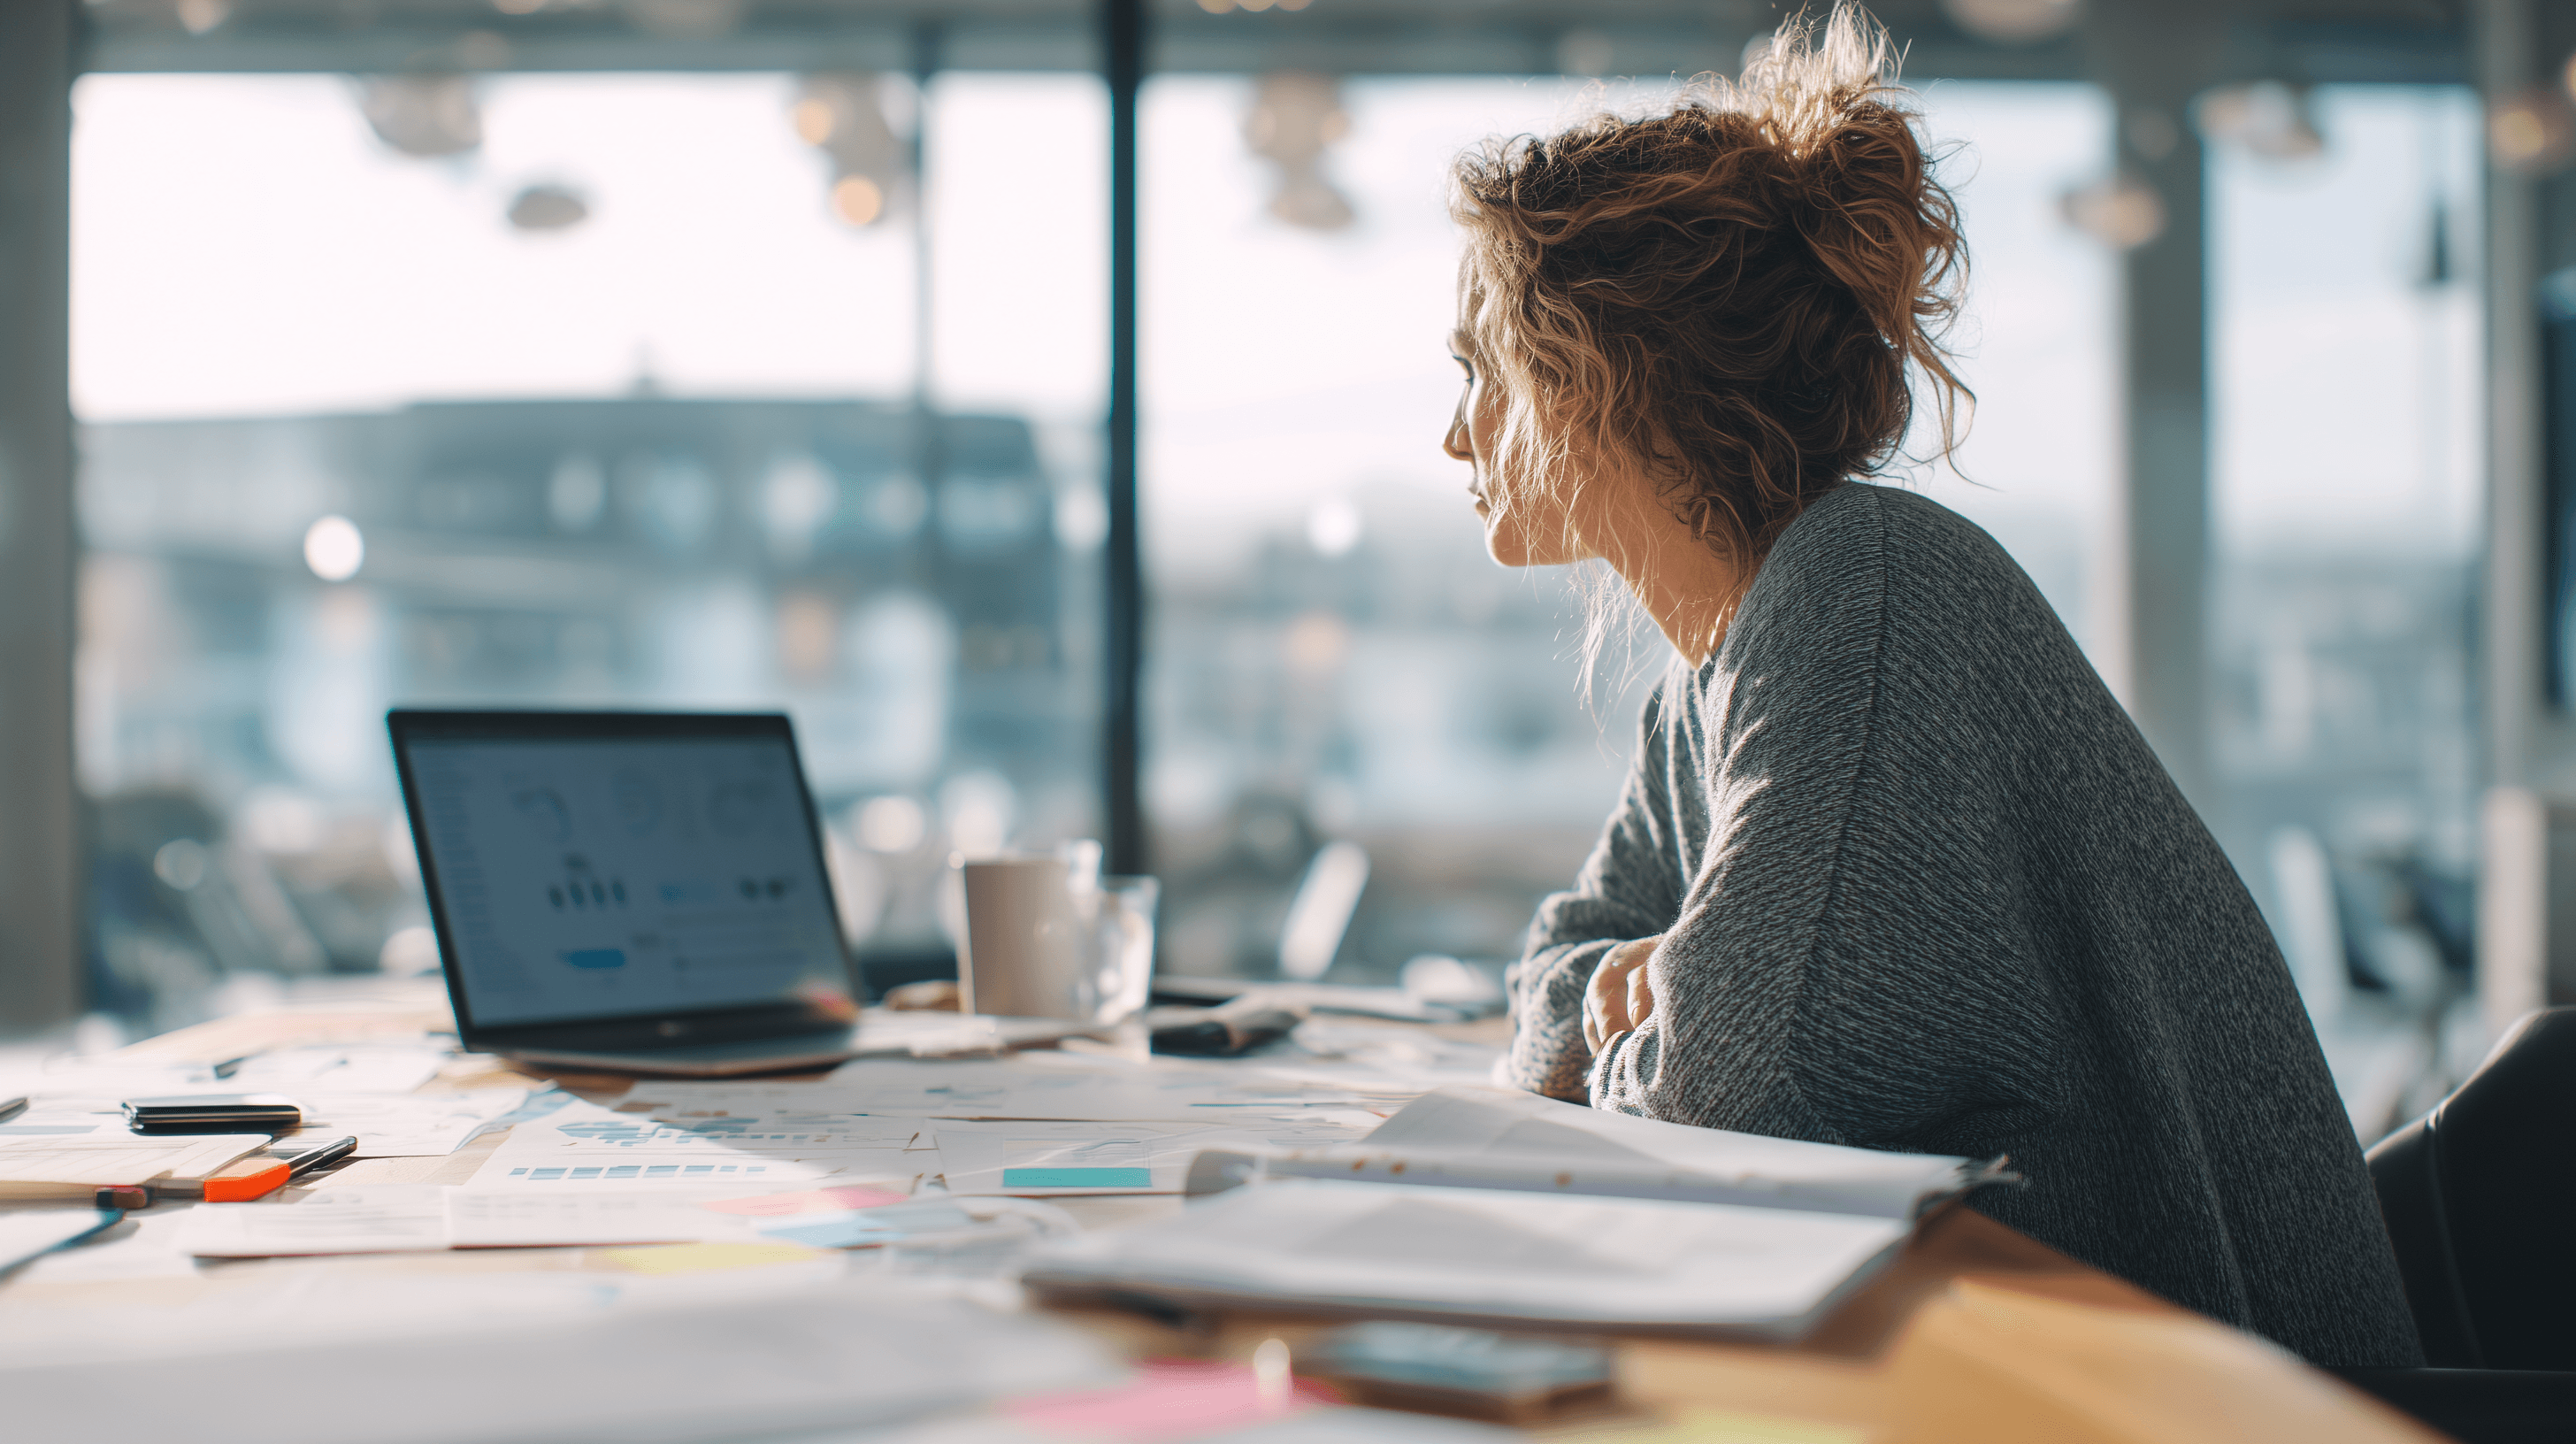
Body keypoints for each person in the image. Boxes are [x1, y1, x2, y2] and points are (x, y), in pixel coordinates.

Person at [1443, 5, 2420, 1368]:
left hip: (2179, 1397)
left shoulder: (1865, 586)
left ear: (1593, 376)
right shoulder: (1713, 670)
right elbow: (1557, 972)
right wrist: (1628, 981)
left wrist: (1652, 1013)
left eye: (1479, 370)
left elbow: (1735, 1095)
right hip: (2028, 1361)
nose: (1452, 434)